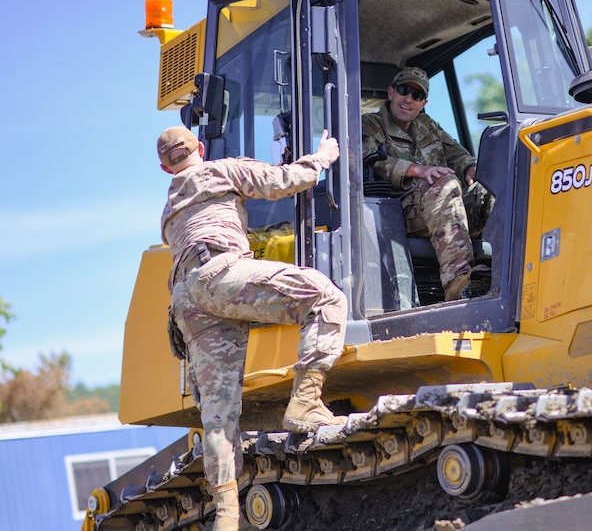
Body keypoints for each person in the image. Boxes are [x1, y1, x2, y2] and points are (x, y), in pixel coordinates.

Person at [157, 126, 347, 531]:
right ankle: (306, 402)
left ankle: (227, 517)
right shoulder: (218, 171)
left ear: (163, 167)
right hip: (220, 275)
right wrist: (323, 157)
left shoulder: (170, 207)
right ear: (201, 149)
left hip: (187, 302)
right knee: (326, 298)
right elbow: (283, 181)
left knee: (219, 418)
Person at [361, 66, 493, 301]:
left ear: (423, 103)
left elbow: (459, 156)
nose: (409, 99)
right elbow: (372, 161)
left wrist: (471, 168)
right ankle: (457, 282)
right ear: (391, 92)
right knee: (444, 183)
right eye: (404, 90)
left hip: (441, 209)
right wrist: (417, 170)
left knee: (492, 188)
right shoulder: (370, 124)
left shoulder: (428, 126)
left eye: (417, 95)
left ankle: (509, 273)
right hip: (395, 214)